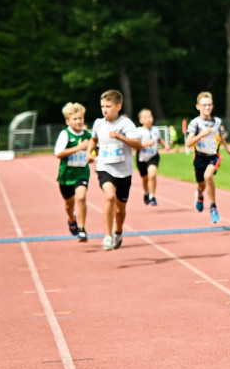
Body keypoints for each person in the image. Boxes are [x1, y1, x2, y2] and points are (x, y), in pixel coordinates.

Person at [86, 90, 142, 251]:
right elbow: (93, 139)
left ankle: (118, 231)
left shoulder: (126, 124)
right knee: (109, 196)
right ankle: (107, 236)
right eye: (102, 106)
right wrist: (90, 153)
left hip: (124, 171)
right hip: (105, 167)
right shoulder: (98, 123)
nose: (105, 110)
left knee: (120, 209)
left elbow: (137, 144)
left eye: (108, 106)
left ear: (118, 106)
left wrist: (120, 137)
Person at [185, 91, 230, 224]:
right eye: (204, 105)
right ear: (198, 106)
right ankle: (200, 196)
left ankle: (213, 207)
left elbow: (220, 135)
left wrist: (227, 148)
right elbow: (188, 143)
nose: (207, 107)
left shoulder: (217, 122)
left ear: (212, 106)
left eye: (209, 105)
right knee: (201, 186)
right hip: (199, 158)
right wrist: (201, 135)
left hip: (214, 156)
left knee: (208, 176)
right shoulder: (195, 123)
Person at [54, 102, 91, 243]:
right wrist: (78, 147)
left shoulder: (88, 135)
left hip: (82, 174)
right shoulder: (65, 134)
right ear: (68, 121)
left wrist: (92, 155)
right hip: (66, 176)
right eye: (75, 119)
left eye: (80, 118)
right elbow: (58, 153)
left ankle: (82, 229)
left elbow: (95, 150)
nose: (78, 121)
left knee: (81, 197)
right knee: (69, 204)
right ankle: (71, 219)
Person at [135, 108, 164, 206]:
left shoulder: (156, 129)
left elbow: (159, 139)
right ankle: (146, 192)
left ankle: (152, 196)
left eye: (150, 116)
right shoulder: (138, 131)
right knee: (145, 179)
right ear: (141, 120)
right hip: (142, 157)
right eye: (145, 117)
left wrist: (166, 145)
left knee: (152, 175)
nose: (148, 119)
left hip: (153, 156)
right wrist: (146, 144)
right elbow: (136, 145)